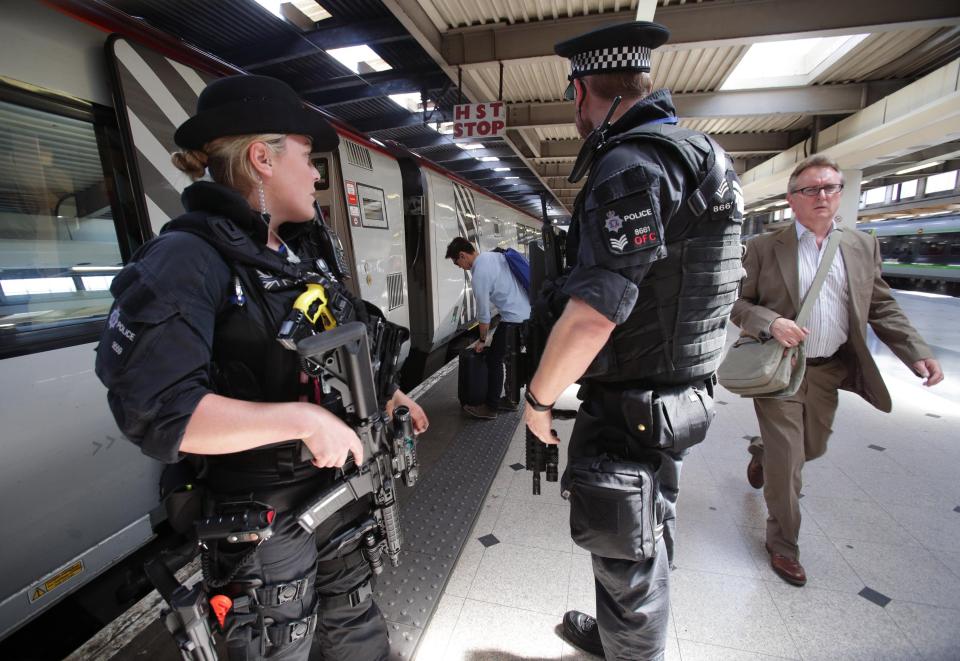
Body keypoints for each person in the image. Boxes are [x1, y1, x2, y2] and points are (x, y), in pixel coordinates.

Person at [95, 74, 427, 661]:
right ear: (261, 159)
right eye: (307, 155)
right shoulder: (186, 260)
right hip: (263, 528)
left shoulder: (298, 251)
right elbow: (159, 413)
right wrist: (302, 421)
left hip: (336, 498)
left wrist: (388, 394)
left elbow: (326, 341)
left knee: (359, 639)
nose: (318, 172)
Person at [524, 21, 744, 660]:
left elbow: (595, 314)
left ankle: (631, 649)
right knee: (641, 528)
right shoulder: (704, 154)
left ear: (583, 91)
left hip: (634, 402)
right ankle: (620, 634)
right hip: (673, 394)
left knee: (628, 545)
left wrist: (539, 402)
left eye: (574, 100)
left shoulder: (630, 165)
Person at [732, 153, 943, 587]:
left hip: (828, 370)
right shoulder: (764, 247)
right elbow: (736, 304)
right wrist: (770, 322)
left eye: (830, 187)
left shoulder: (862, 246)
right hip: (779, 369)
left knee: (812, 447)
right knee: (789, 462)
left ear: (841, 195)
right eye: (811, 189)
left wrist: (914, 350)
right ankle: (784, 545)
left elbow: (880, 304)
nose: (822, 196)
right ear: (792, 199)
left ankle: (760, 453)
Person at [446, 236, 530, 419]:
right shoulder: (495, 256)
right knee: (511, 359)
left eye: (457, 263)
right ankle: (511, 400)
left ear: (462, 255)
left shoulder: (479, 274)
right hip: (527, 315)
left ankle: (490, 408)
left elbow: (483, 316)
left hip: (513, 319)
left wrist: (482, 340)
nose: (461, 267)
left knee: (494, 360)